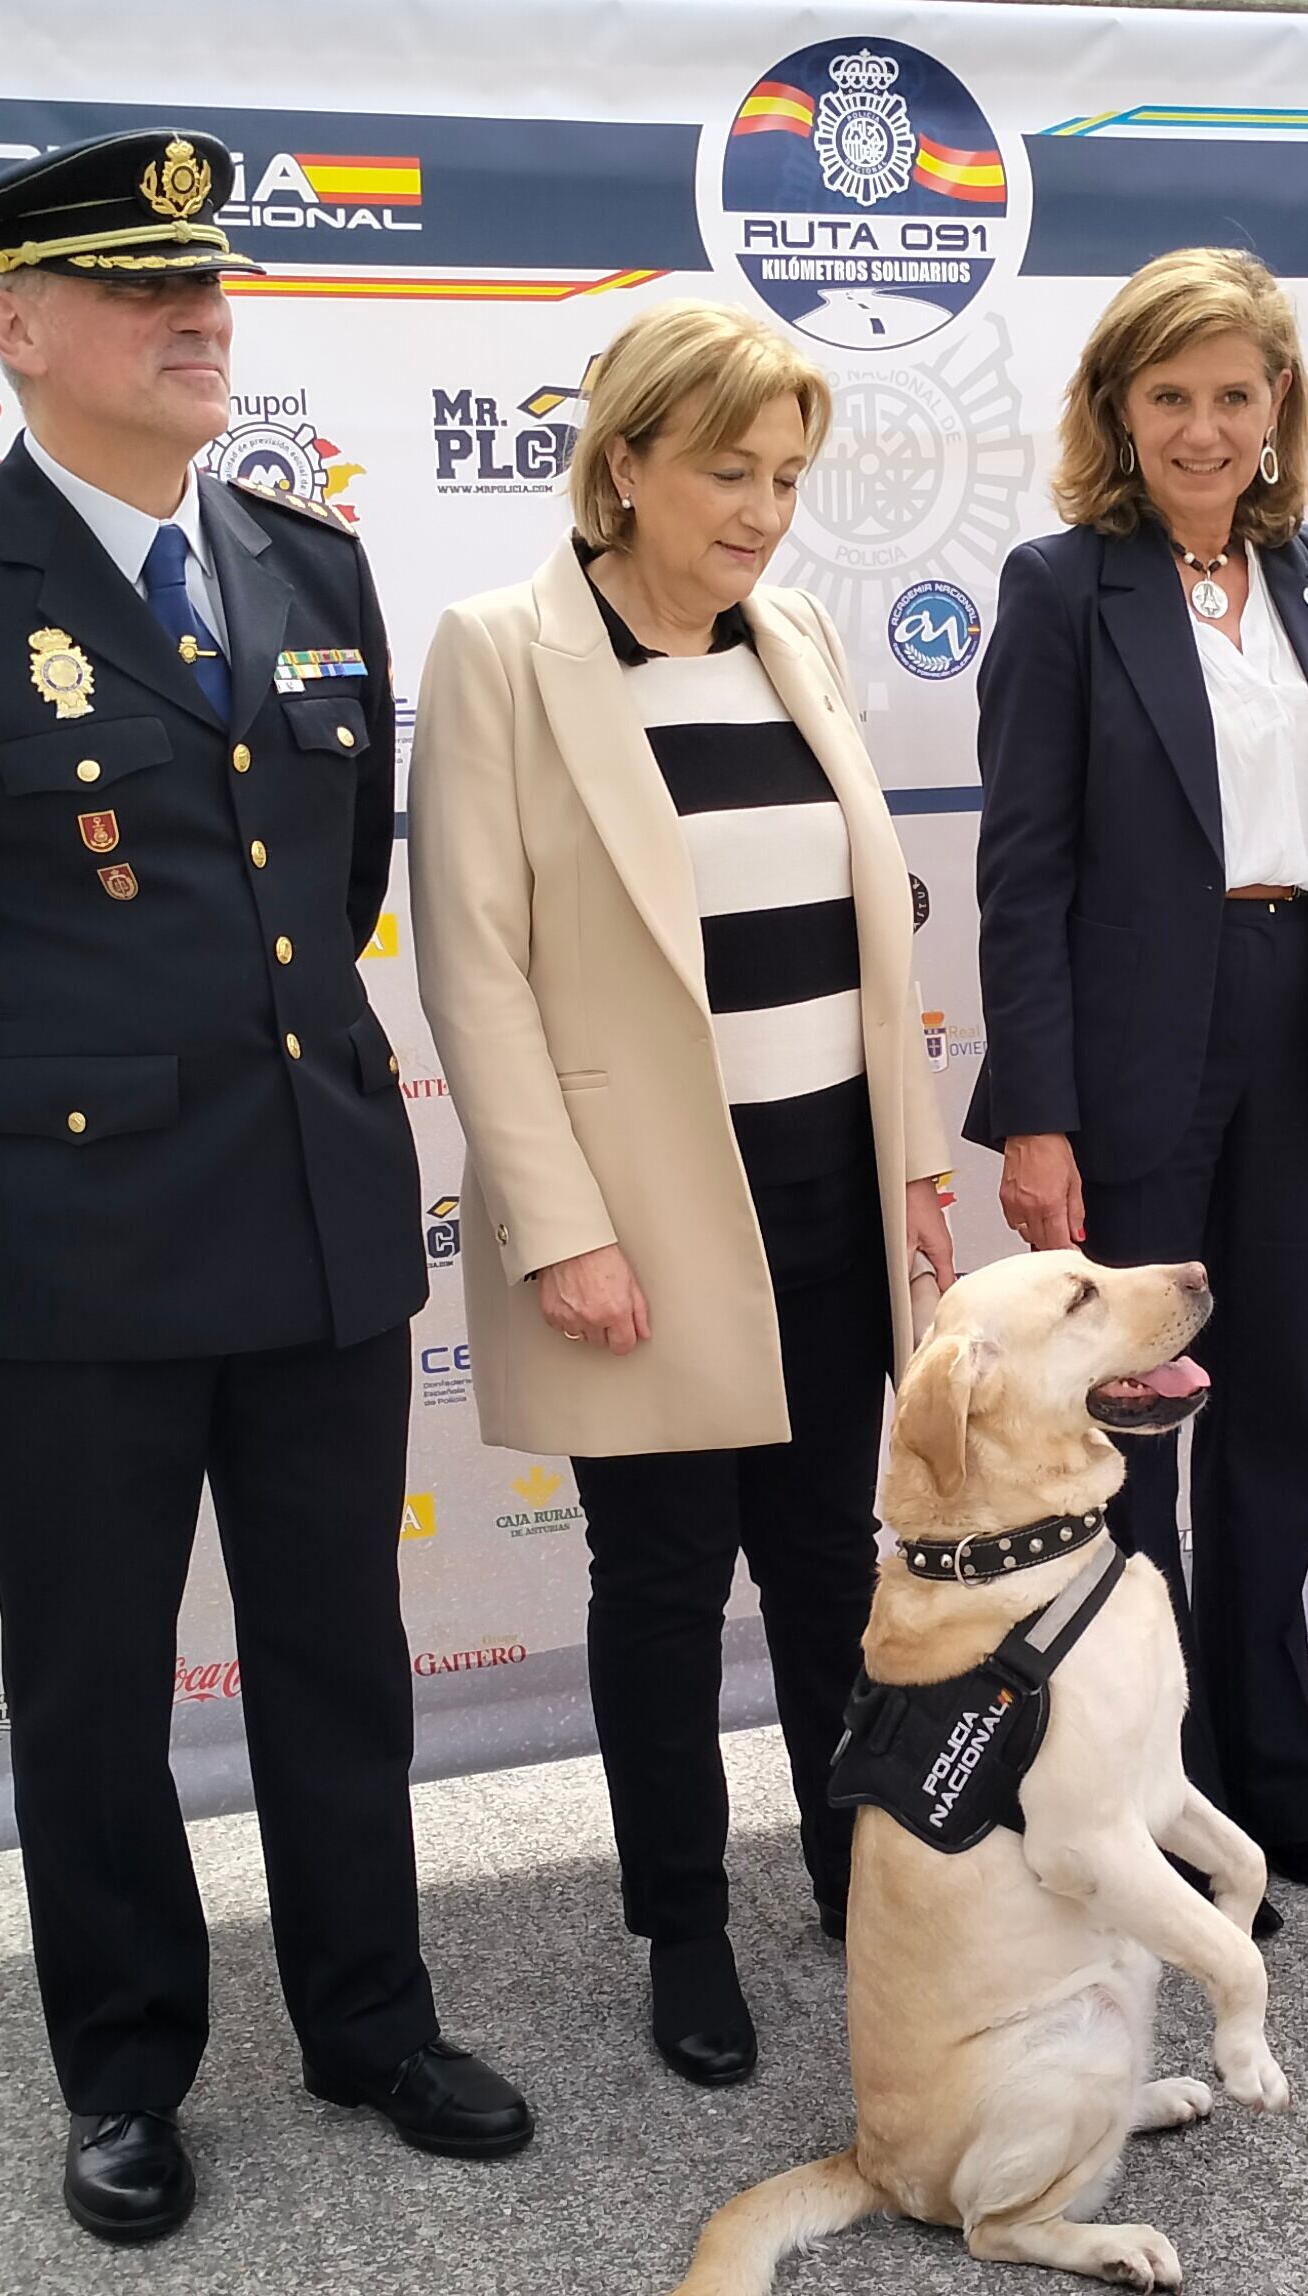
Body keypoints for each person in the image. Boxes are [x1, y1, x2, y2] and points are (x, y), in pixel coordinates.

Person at [0, 131, 524, 2246]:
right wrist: (45, 1111)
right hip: (73, 1242)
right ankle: (125, 2066)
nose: (198, 316)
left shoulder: (304, 562)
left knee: (334, 1652)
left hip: (312, 1209)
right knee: (97, 1680)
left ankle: (370, 2018)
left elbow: (335, 876)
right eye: (136, 288)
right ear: (15, 330)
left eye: (207, 282)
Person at [411, 299, 956, 2083]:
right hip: (644, 1206)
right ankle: (683, 1929)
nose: (763, 510)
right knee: (660, 1584)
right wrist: (561, 1227)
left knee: (823, 1562)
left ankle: (850, 1873)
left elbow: (873, 927)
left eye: (789, 475)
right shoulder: (501, 651)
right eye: (729, 469)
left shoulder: (792, 632)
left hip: (825, 1181)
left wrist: (917, 1166)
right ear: (622, 461)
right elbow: (475, 963)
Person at [966, 247, 1308, 1914]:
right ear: (1118, 408)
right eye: (1171, 395)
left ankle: (1274, 1779)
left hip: (1304, 1034)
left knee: (1273, 1426)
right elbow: (1021, 876)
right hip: (1135, 1053)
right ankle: (1143, 1795)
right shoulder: (1057, 588)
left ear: (1280, 409)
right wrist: (1038, 1112)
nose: (1206, 426)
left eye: (1238, 394)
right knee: (1135, 1451)